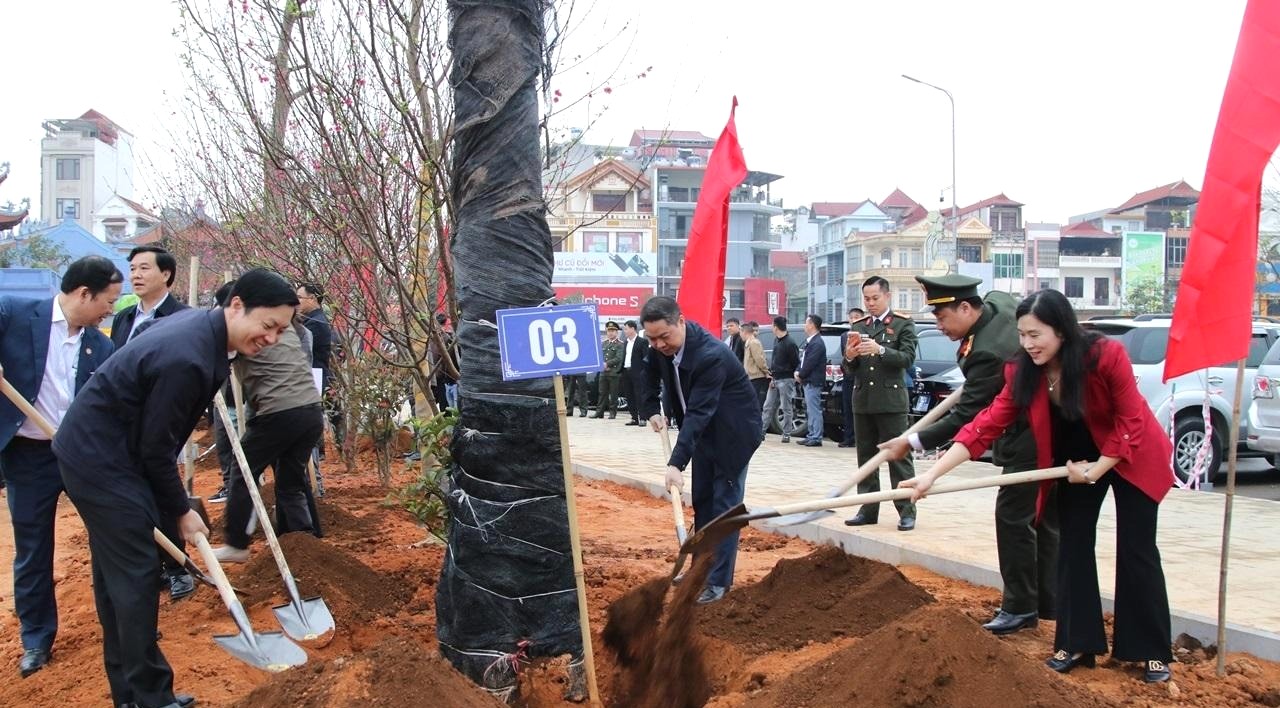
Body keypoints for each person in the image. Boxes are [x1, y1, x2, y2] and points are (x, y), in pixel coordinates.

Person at [53, 268, 301, 708]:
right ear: (237, 305)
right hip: (102, 460)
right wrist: (181, 511)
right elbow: (156, 449)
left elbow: (153, 444)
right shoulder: (188, 358)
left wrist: (168, 505)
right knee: (135, 576)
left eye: (282, 331)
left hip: (112, 453)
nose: (273, 339)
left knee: (118, 579)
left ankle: (131, 694)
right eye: (268, 326)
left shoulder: (201, 334)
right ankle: (150, 698)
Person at [901, 288, 1175, 684]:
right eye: (1022, 335)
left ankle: (1149, 650)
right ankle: (1076, 644)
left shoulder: (1104, 356)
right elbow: (986, 424)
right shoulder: (1022, 371)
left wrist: (1099, 468)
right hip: (1076, 457)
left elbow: (1131, 420)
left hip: (1129, 451)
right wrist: (931, 475)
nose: (1027, 344)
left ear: (1061, 330)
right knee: (1073, 545)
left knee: (1137, 548)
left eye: (1036, 335)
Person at [879, 274, 1056, 635]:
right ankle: (1048, 601)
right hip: (1047, 426)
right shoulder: (997, 302)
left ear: (965, 307)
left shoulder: (987, 354)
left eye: (943, 318)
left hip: (1031, 435)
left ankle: (1021, 607)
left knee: (1014, 517)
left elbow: (969, 416)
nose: (939, 326)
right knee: (1042, 519)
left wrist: (912, 442)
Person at [0, 256, 121, 678]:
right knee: (33, 550)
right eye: (108, 300)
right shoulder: (15, 313)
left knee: (108, 538)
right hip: (27, 456)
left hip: (79, 455)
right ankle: (36, 640)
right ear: (83, 293)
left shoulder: (100, 345)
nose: (111, 310)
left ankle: (123, 627)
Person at [640, 297, 761, 604]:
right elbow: (648, 375)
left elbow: (699, 413)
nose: (658, 345)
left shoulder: (711, 355)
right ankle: (699, 573)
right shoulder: (660, 346)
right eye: (651, 338)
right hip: (703, 434)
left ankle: (719, 584)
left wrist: (676, 464)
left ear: (680, 321)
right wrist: (652, 407)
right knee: (703, 502)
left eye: (664, 337)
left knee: (724, 508)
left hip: (733, 434)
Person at [107, 245, 195, 601]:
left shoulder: (182, 317)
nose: (136, 275)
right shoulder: (124, 318)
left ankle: (177, 568)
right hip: (121, 421)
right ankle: (150, 566)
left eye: (144, 268)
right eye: (132, 268)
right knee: (129, 497)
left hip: (159, 419)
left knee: (162, 492)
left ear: (167, 275)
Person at [213, 316, 323, 562]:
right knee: (290, 480)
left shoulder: (244, 326)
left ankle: (237, 543)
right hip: (310, 411)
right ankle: (301, 541)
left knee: (243, 469)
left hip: (278, 412)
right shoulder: (288, 328)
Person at [843, 276, 918, 531]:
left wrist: (881, 350)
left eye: (875, 298)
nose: (871, 303)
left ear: (887, 296)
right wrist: (850, 357)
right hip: (863, 400)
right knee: (866, 459)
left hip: (891, 401)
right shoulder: (859, 325)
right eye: (866, 299)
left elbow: (907, 358)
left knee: (898, 459)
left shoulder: (902, 324)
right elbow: (849, 368)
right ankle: (867, 508)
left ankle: (906, 510)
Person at [296, 283, 345, 455]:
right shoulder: (312, 320)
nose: (297, 302)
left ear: (313, 299)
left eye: (300, 298)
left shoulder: (316, 323)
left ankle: (323, 451)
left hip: (316, 375)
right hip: (320, 374)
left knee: (317, 415)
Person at [761, 316, 799, 443]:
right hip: (775, 378)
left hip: (786, 379)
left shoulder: (790, 343)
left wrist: (791, 375)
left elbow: (796, 362)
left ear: (776, 327)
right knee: (767, 406)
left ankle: (787, 433)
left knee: (786, 406)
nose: (772, 328)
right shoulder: (776, 340)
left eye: (772, 325)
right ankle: (761, 431)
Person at [794, 314, 827, 447]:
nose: (804, 325)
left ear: (812, 325)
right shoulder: (811, 341)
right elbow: (803, 360)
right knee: (810, 409)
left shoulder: (817, 343)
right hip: (808, 380)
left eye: (806, 323)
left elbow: (810, 363)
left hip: (813, 380)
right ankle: (811, 434)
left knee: (814, 409)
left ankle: (816, 437)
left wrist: (801, 375)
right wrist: (798, 372)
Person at [837, 306, 866, 448]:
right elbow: (846, 355)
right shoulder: (844, 336)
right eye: (851, 317)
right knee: (847, 408)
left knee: (862, 409)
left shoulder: (866, 334)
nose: (853, 319)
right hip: (848, 377)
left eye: (857, 317)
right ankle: (848, 437)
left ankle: (861, 438)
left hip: (863, 377)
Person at [620, 320, 650, 426]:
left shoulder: (642, 342)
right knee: (629, 396)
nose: (625, 331)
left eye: (626, 328)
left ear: (633, 329)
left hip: (637, 373)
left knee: (639, 396)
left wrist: (643, 372)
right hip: (626, 372)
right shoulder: (626, 342)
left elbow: (646, 358)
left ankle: (642, 418)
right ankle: (634, 418)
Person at [592, 321, 624, 418]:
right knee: (602, 393)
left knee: (613, 394)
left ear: (617, 332)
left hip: (614, 372)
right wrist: (601, 364)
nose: (610, 333)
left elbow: (619, 358)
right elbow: (599, 356)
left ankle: (612, 412)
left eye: (613, 331)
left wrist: (607, 364)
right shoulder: (603, 344)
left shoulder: (620, 344)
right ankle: (599, 412)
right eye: (609, 331)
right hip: (603, 372)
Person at [741, 321, 769, 415]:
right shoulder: (748, 343)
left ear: (744, 332)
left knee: (755, 402)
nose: (740, 335)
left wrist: (766, 371)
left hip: (757, 376)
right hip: (751, 376)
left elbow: (759, 360)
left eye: (741, 332)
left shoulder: (754, 342)